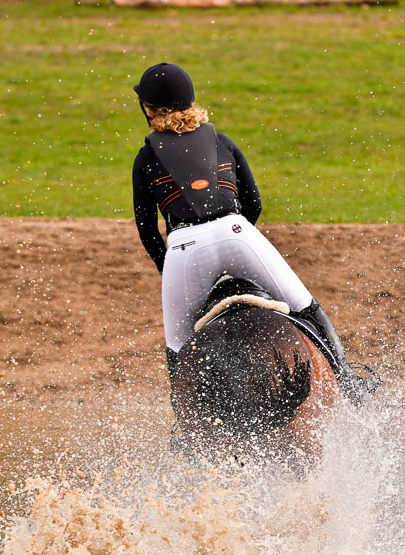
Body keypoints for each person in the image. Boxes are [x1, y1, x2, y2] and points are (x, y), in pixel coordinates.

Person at [132, 62, 379, 402]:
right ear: (191, 101)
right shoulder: (222, 142)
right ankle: (348, 381)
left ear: (147, 110)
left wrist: (171, 267)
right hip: (236, 233)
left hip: (184, 249)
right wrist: (236, 241)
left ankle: (184, 426)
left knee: (177, 346)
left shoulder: (145, 158)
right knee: (305, 307)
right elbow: (254, 203)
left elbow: (147, 228)